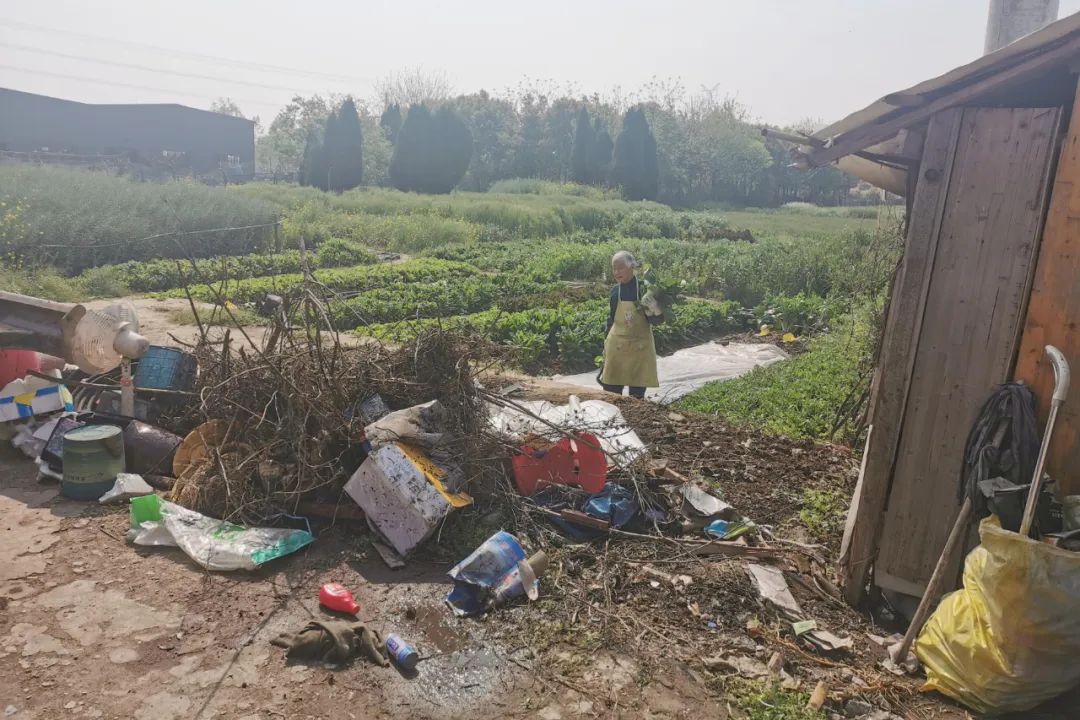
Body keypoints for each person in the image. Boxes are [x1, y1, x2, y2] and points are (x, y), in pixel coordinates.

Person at [599, 250, 660, 399]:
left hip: (640, 347)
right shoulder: (615, 291)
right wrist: (606, 343)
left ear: (632, 267)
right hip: (617, 347)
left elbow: (656, 321)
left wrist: (656, 310)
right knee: (611, 393)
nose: (617, 272)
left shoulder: (645, 290)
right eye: (614, 268)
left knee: (636, 397)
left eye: (621, 268)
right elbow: (611, 318)